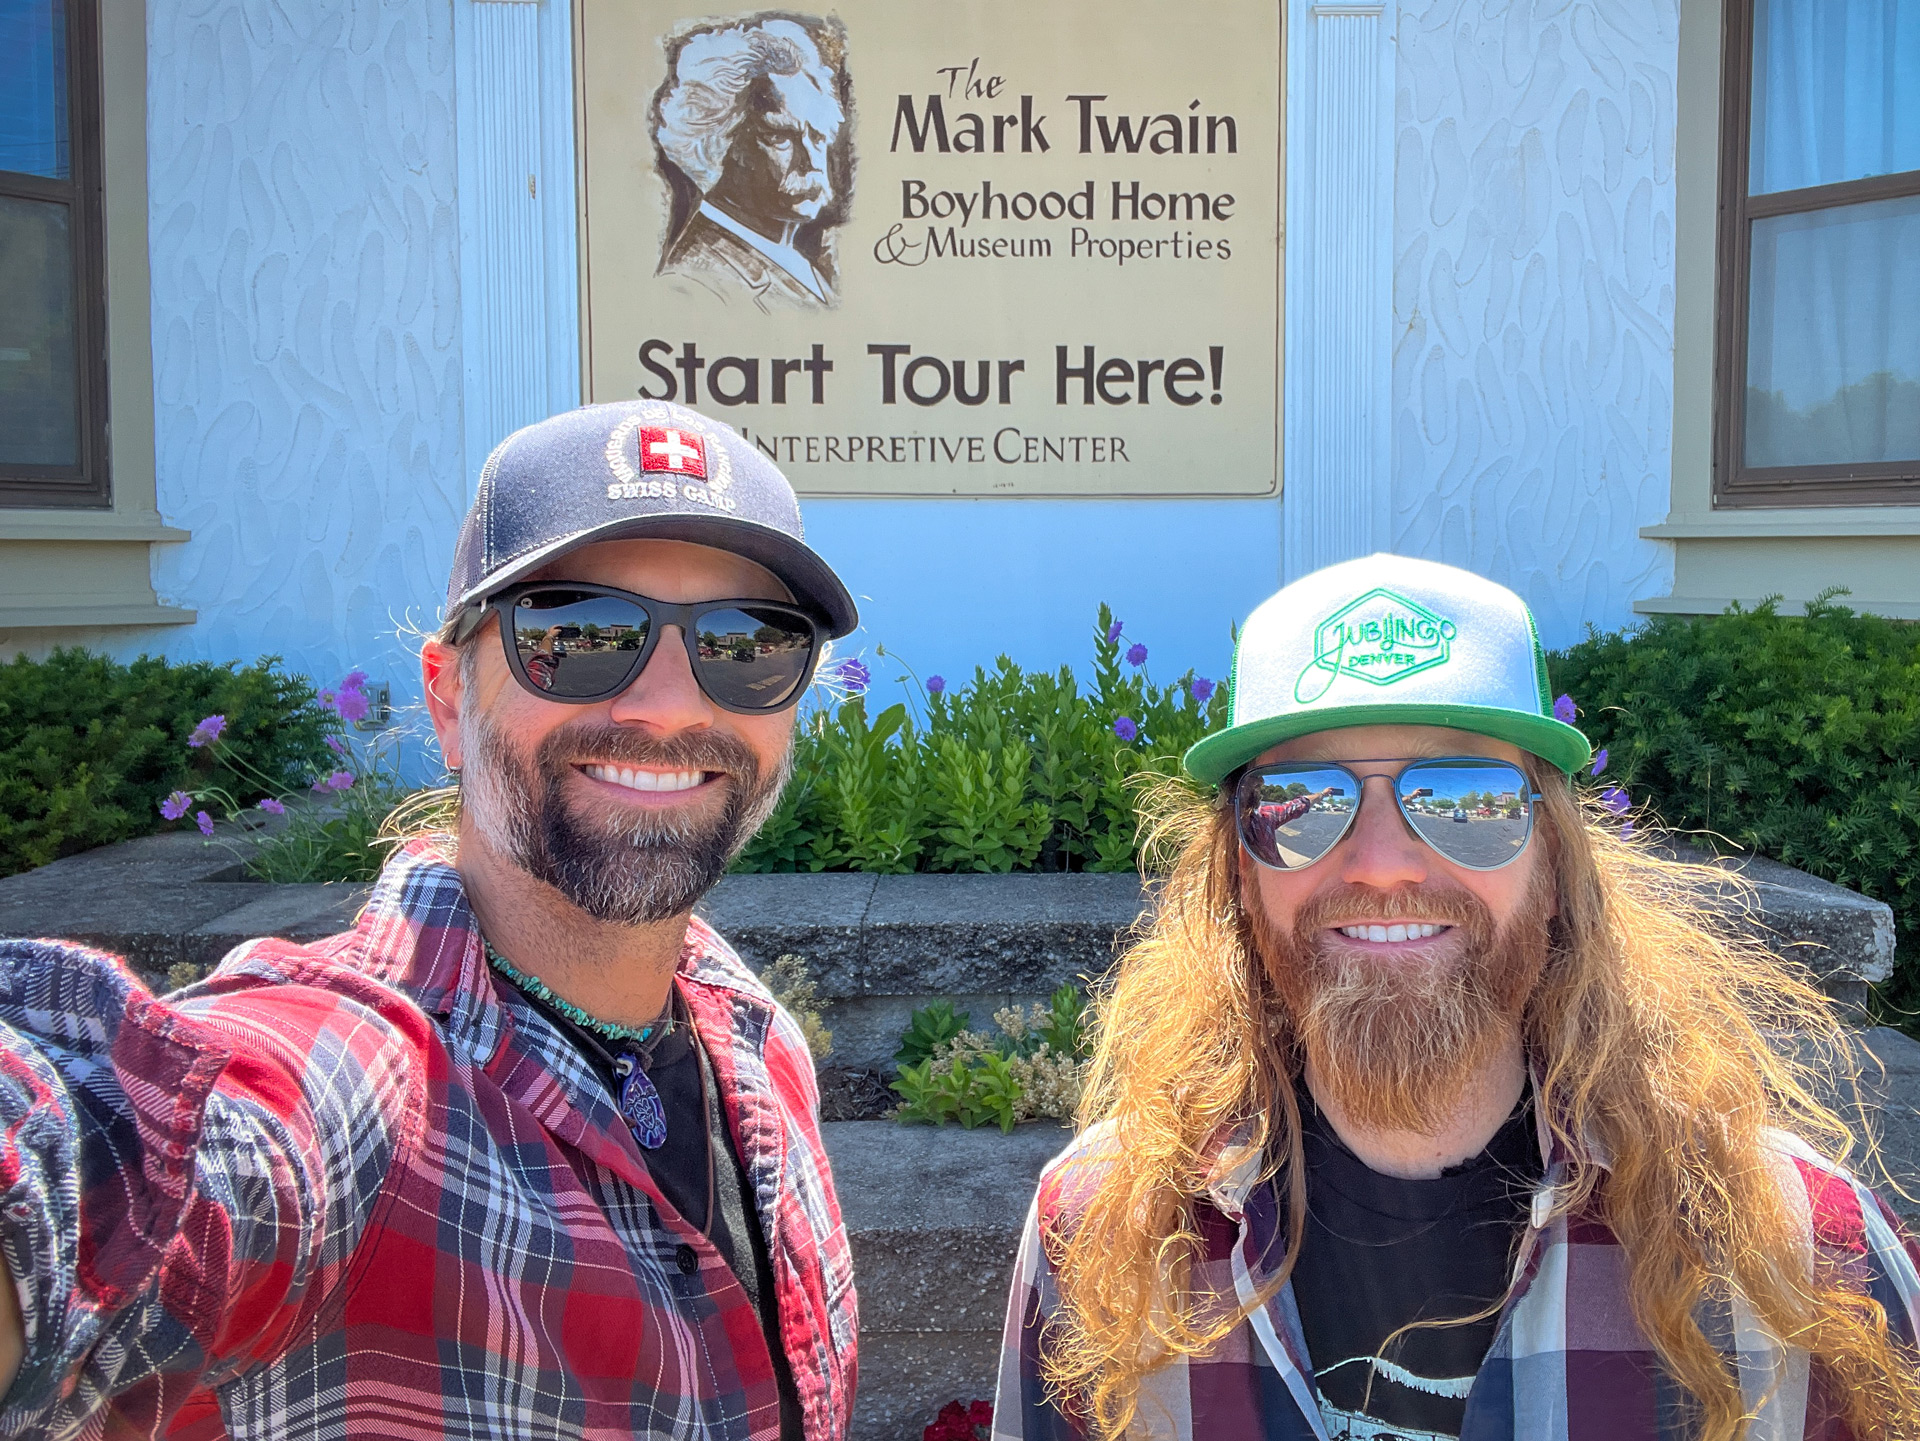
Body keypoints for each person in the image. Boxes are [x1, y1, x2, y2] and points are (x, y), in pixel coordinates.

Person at [0, 400, 862, 1439]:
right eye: (576, 633)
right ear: (450, 698)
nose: (674, 705)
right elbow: (133, 1159)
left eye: (747, 643)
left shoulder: (755, 1039)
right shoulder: (358, 1092)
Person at [993, 555, 1920, 1441]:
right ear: (1239, 872)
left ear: (1554, 863)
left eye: (1462, 795)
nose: (1385, 864)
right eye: (1303, 801)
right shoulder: (1097, 1237)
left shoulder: (1798, 1256)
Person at [654, 17, 847, 308]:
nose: (811, 161)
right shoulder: (695, 284)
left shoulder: (798, 262)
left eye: (817, 136)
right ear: (718, 142)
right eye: (780, 137)